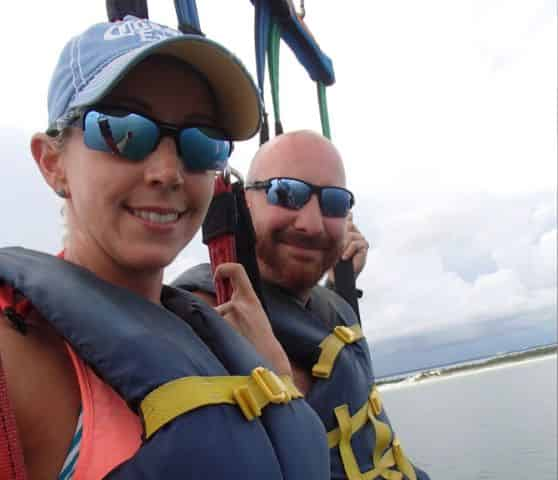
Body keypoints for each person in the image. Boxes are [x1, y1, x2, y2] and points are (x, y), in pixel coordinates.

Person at [0, 16, 331, 480]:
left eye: (201, 142)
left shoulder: (233, 350)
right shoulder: (15, 357)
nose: (168, 172)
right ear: (52, 162)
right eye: (123, 131)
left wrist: (272, 369)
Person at [174, 130, 431, 480]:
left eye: (334, 203)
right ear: (243, 202)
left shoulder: (332, 309)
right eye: (286, 193)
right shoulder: (203, 321)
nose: (311, 225)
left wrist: (340, 283)